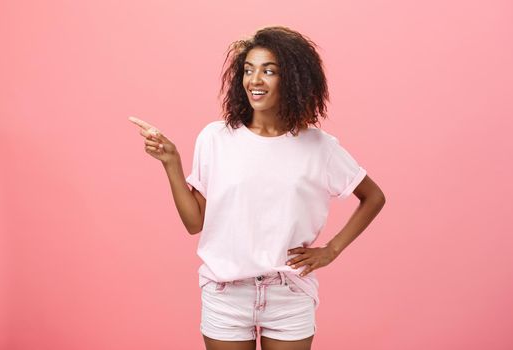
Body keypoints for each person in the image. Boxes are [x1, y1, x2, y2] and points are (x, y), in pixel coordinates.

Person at [129, 26, 385, 350]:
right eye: (248, 70)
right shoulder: (216, 138)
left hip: (288, 293)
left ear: (292, 80)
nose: (255, 80)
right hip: (226, 293)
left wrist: (331, 250)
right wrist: (171, 163)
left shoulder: (319, 147)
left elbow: (373, 197)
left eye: (269, 71)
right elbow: (195, 223)